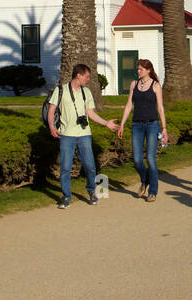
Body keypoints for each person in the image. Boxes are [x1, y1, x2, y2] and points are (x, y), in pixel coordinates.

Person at [47, 64, 120, 209]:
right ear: (78, 76)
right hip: (66, 134)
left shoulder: (86, 92)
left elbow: (91, 113)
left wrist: (106, 123)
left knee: (90, 166)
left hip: (84, 134)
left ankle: (92, 191)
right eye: (86, 76)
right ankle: (66, 196)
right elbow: (51, 109)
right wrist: (51, 126)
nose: (88, 79)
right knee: (66, 168)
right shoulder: (61, 90)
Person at [117, 59, 168, 202]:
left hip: (152, 125)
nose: (138, 71)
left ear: (148, 70)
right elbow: (128, 105)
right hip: (136, 125)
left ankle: (153, 191)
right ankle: (145, 180)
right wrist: (122, 124)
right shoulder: (134, 84)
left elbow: (160, 107)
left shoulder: (156, 85)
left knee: (151, 159)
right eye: (138, 69)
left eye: (141, 69)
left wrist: (164, 128)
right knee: (137, 160)